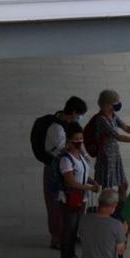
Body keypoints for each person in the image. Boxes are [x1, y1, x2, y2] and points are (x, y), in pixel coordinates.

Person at [88, 89, 130, 199]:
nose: (118, 105)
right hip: (106, 157)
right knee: (107, 189)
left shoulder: (112, 115)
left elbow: (125, 127)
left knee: (123, 185)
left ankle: (121, 209)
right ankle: (107, 210)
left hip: (115, 155)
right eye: (115, 103)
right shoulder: (101, 120)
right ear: (107, 105)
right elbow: (118, 136)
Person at [41, 97, 87, 249]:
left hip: (69, 166)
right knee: (55, 205)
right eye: (80, 114)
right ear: (73, 112)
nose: (80, 117)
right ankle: (57, 238)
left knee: (72, 204)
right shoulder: (56, 128)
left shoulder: (71, 124)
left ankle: (69, 235)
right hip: (55, 170)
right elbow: (62, 149)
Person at [58, 131, 100, 258]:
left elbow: (82, 173)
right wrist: (89, 187)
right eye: (76, 139)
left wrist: (92, 181)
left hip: (81, 198)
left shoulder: (79, 156)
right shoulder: (66, 160)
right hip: (70, 198)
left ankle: (71, 255)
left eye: (81, 138)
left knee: (75, 228)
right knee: (68, 229)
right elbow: (70, 182)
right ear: (69, 141)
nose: (80, 141)